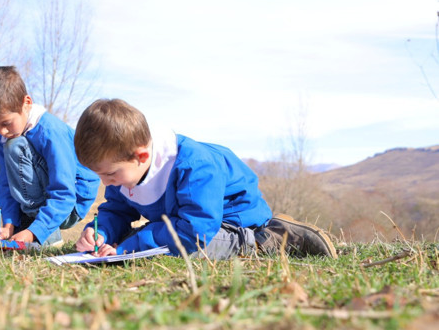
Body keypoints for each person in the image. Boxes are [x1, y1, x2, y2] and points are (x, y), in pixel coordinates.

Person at [72, 99, 337, 259]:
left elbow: (195, 232)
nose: (106, 183)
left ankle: (272, 237)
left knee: (188, 248)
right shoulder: (124, 169)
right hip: (187, 220)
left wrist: (130, 247)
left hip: (229, 221)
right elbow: (117, 210)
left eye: (110, 174)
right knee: (135, 241)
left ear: (141, 156)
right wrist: (101, 232)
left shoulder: (194, 166)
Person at [0, 66, 100, 246]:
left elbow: (64, 191)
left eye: (6, 123)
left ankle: (44, 232)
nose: (2, 131)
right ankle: (21, 224)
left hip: (70, 203)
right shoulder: (6, 133)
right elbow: (6, 181)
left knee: (16, 147)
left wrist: (36, 231)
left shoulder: (50, 132)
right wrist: (8, 223)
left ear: (27, 103)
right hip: (36, 192)